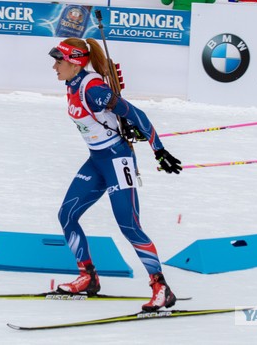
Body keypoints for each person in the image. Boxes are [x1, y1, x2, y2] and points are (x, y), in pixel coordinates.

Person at [48, 37, 182, 312]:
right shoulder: (72, 83)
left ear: (75, 62)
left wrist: (159, 150)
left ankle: (161, 288)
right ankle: (88, 277)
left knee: (129, 225)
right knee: (67, 215)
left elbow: (135, 113)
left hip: (118, 159)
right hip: (96, 160)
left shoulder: (94, 89)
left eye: (58, 61)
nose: (54, 67)